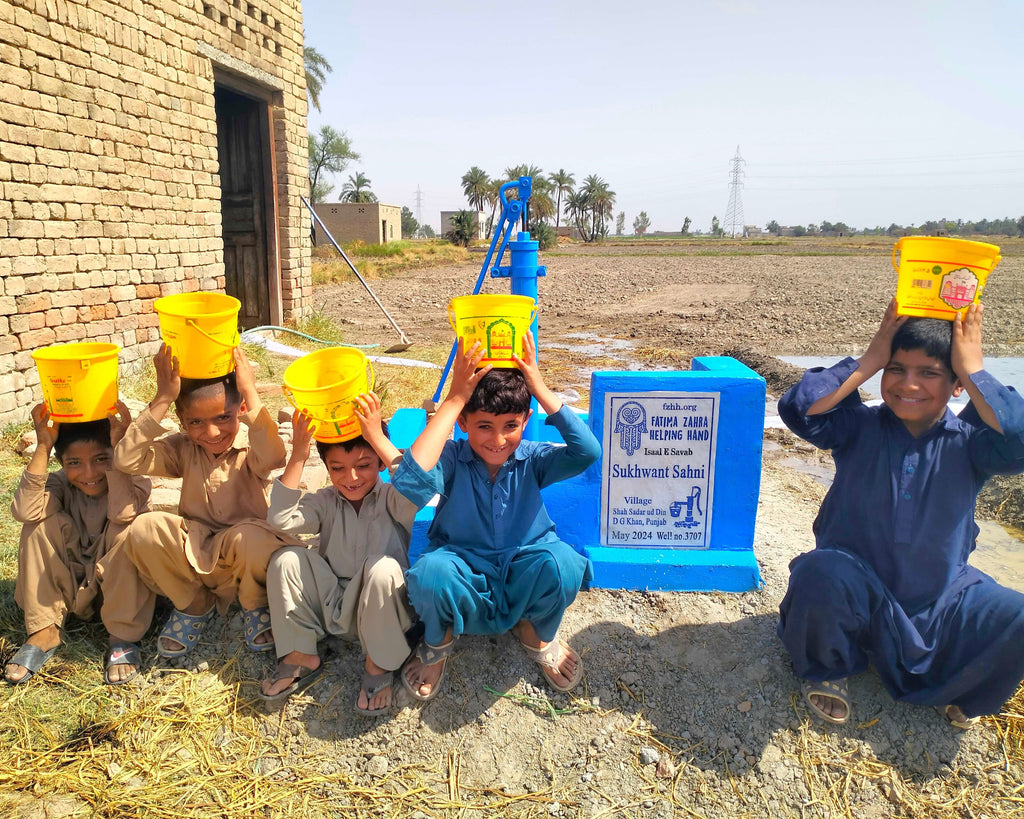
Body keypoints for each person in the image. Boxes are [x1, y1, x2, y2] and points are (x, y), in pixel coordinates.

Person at [778, 300, 1024, 728]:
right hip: (854, 586)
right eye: (897, 369)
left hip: (940, 596)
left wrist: (973, 367)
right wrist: (872, 357)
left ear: (956, 385)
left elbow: (1018, 437)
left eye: (929, 373)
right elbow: (800, 408)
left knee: (1015, 616)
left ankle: (965, 692)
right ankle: (830, 666)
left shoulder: (973, 442)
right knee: (820, 571)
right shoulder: (858, 426)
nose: (909, 385)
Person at [393, 332, 602, 701]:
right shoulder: (454, 458)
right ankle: (438, 645)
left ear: (525, 421)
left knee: (564, 564)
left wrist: (538, 386)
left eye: (510, 425)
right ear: (464, 423)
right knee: (430, 574)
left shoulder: (534, 459)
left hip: (522, 566)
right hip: (465, 569)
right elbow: (410, 481)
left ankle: (533, 633)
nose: (498, 440)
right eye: (484, 426)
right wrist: (455, 398)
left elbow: (587, 451)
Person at [114, 344, 296, 660]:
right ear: (182, 422)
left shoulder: (250, 448)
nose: (212, 432)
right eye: (196, 422)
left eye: (224, 417)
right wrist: (164, 398)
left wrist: (249, 390)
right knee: (145, 527)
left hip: (247, 559)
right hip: (195, 555)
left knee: (252, 536)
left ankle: (255, 603)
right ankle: (195, 605)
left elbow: (276, 455)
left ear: (240, 410)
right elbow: (127, 460)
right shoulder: (182, 449)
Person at [259, 393, 418, 712]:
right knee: (286, 560)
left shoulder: (394, 498)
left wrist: (375, 436)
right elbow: (280, 518)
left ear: (380, 463)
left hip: (386, 610)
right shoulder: (325, 500)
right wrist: (299, 455)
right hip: (336, 608)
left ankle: (379, 663)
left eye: (364, 465)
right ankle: (300, 652)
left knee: (382, 568)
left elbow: (418, 488)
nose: (352, 478)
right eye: (338, 468)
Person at [6, 402, 153, 686]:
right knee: (35, 524)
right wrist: (43, 446)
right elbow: (24, 511)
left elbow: (122, 514)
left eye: (101, 459)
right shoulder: (60, 484)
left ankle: (122, 634)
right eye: (74, 463)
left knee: (129, 530)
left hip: (115, 593)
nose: (89, 473)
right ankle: (45, 628)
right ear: (61, 463)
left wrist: (120, 452)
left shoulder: (134, 483)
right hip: (69, 588)